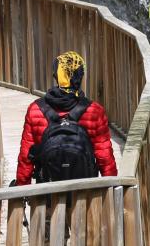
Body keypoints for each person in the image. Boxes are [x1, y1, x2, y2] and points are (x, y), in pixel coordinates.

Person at [15, 51, 117, 185]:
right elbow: (105, 158)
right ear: (80, 76)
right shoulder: (94, 111)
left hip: (47, 195)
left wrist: (22, 188)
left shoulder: (35, 109)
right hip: (86, 195)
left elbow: (26, 158)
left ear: (56, 76)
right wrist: (112, 190)